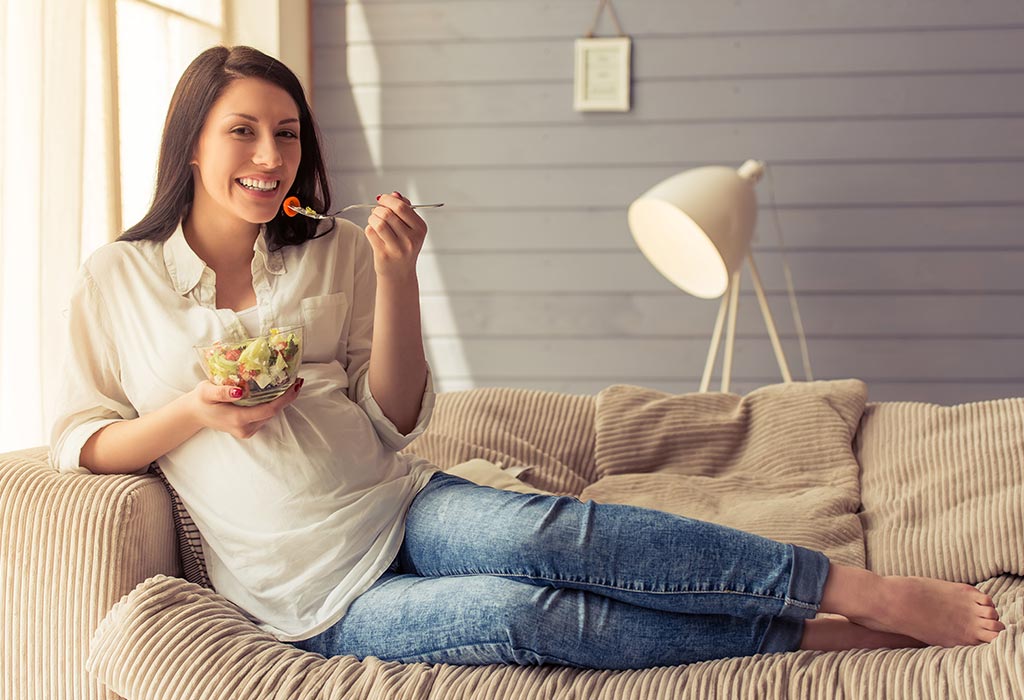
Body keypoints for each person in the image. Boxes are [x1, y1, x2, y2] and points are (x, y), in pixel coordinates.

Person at [50, 45, 1004, 670]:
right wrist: (196, 415)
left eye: (287, 133)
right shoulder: (115, 280)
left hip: (398, 502)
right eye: (244, 132)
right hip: (306, 597)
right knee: (521, 616)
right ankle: (815, 631)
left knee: (546, 536)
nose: (271, 156)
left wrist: (399, 275)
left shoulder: (331, 247)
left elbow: (396, 416)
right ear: (193, 142)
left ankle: (861, 587)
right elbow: (78, 440)